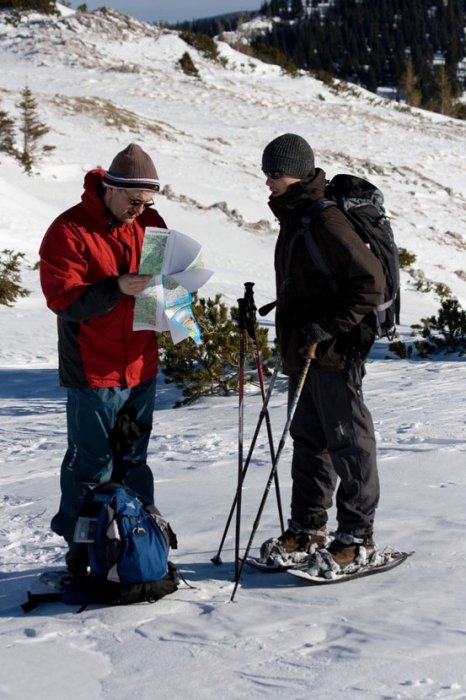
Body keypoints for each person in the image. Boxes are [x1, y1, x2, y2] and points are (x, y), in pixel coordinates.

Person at [259, 133, 385, 573]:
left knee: (348, 442)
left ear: (297, 171)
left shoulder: (325, 219)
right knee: (310, 442)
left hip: (335, 352)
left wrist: (326, 327)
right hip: (304, 353)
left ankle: (356, 535)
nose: (269, 180)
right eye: (267, 172)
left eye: (275, 172)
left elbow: (370, 283)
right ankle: (309, 526)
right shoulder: (295, 217)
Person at [39, 143, 167, 573]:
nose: (140, 209)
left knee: (133, 462)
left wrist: (175, 302)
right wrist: (116, 287)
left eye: (147, 201)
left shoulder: (151, 225)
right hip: (93, 369)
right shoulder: (70, 230)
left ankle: (139, 545)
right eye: (134, 200)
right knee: (91, 464)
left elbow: (160, 289)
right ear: (109, 188)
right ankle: (82, 551)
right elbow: (62, 298)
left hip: (141, 365)